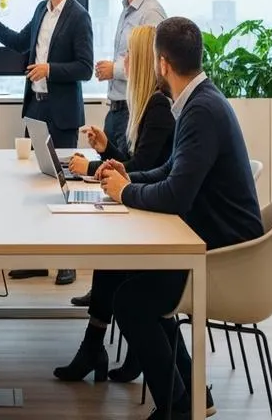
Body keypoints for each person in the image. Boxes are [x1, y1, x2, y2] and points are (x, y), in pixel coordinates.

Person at [53, 17, 264, 420]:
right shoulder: (201, 101)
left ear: (163, 64)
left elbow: (175, 193)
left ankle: (178, 407)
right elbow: (170, 170)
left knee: (132, 299)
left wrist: (125, 191)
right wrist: (127, 177)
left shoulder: (199, 111)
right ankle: (189, 397)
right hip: (213, 237)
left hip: (225, 254)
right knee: (134, 286)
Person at [0, 0, 93, 286]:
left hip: (62, 114)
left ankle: (67, 262)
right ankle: (38, 259)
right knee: (35, 185)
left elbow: (86, 67)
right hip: (36, 109)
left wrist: (49, 69)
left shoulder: (79, 17)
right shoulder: (41, 9)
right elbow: (22, 41)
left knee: (61, 188)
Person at [66, 24, 175, 326]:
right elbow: (136, 163)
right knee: (108, 247)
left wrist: (91, 167)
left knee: (110, 248)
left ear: (139, 60)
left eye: (128, 53)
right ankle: (95, 344)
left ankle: (95, 345)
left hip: (158, 219)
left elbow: (142, 167)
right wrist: (105, 149)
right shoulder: (147, 104)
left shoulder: (158, 107)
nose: (123, 59)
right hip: (148, 205)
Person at [94, 0, 166, 161]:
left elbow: (151, 67)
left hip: (131, 110)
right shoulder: (127, 11)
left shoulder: (151, 14)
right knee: (107, 175)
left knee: (125, 176)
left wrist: (113, 70)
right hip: (115, 109)